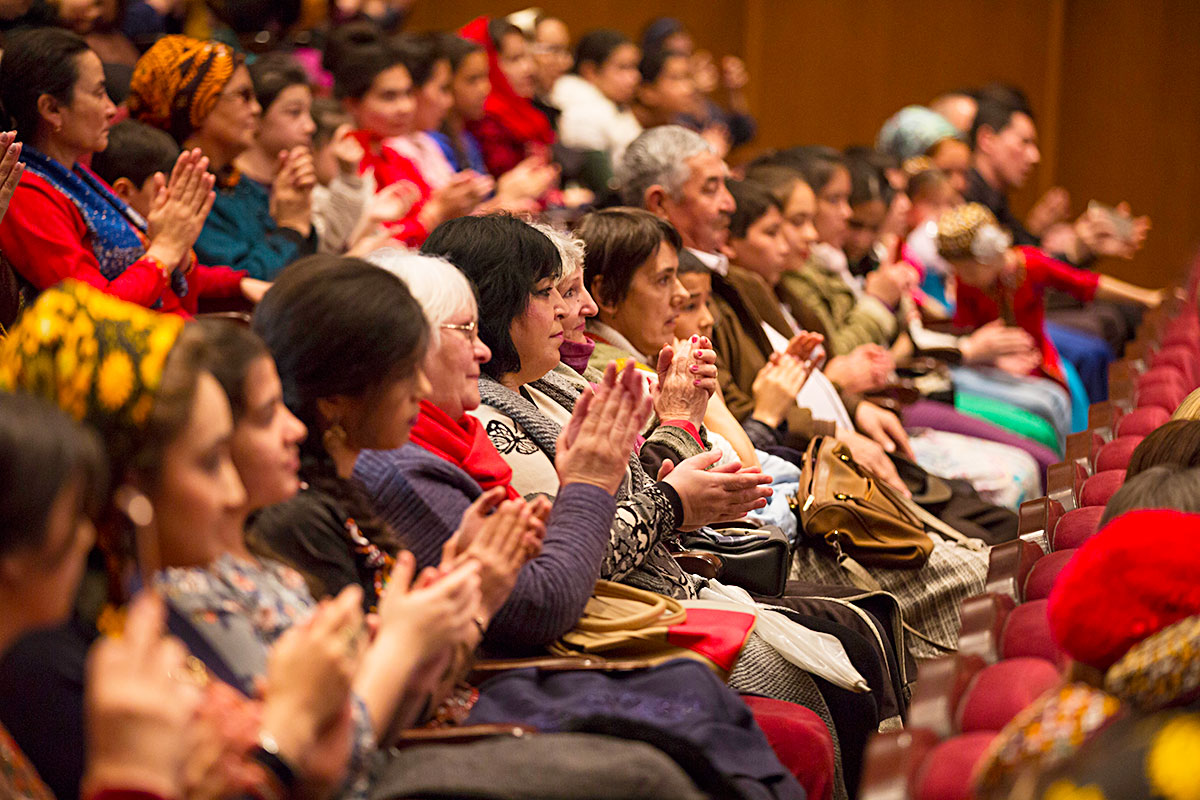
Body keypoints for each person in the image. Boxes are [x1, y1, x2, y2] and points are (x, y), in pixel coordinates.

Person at [0, 281, 363, 800]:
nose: (233, 491)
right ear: (124, 487)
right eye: (211, 461)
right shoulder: (42, 667)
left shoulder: (134, 616)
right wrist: (288, 730)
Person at [0, 28, 219, 314]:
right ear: (52, 109)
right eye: (98, 93)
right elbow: (94, 311)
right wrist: (164, 250)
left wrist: (179, 252)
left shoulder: (75, 176)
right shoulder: (26, 193)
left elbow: (176, 302)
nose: (111, 108)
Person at [939, 202, 1164, 430]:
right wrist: (994, 360)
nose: (962, 277)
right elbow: (966, 330)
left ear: (988, 255)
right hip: (990, 364)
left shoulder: (1031, 264)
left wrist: (1146, 298)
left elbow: (1085, 284)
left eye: (968, 270)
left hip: (1038, 361)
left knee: (1060, 400)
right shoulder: (966, 282)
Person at [128, 35, 318, 281]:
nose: (256, 109)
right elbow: (242, 284)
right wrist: (291, 227)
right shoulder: (177, 192)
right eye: (243, 96)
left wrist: (294, 210)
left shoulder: (233, 178)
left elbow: (303, 267)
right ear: (199, 105)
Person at [324, 22, 490, 247]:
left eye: (408, 93)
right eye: (389, 97)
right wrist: (435, 212)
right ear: (352, 104)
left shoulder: (394, 155)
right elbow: (364, 245)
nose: (405, 107)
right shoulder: (342, 162)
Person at [89, 119, 272, 310]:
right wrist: (167, 248)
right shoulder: (113, 244)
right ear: (124, 192)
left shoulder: (151, 233)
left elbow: (188, 287)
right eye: (165, 188)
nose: (177, 200)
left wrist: (237, 283)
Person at [458, 16, 556, 179]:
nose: (529, 68)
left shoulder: (528, 114)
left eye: (527, 57)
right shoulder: (481, 122)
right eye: (515, 59)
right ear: (490, 64)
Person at [550, 29, 643, 167]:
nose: (635, 78)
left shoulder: (615, 106)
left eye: (635, 67)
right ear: (590, 71)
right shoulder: (582, 112)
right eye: (623, 68)